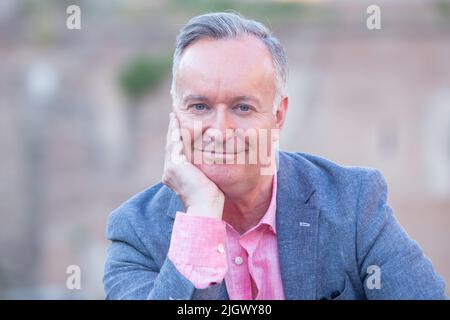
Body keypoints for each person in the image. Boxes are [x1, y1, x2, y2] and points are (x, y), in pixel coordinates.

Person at [103, 12, 447, 300]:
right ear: (175, 115)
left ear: (278, 116)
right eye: (199, 106)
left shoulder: (354, 203)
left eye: (242, 107)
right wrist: (202, 220)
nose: (220, 131)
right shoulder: (136, 232)